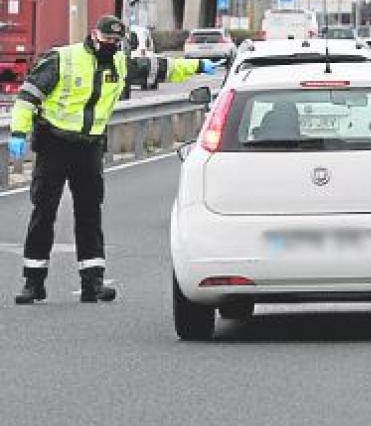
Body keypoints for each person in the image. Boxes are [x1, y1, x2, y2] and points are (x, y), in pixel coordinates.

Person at [9, 15, 220, 304]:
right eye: (107, 40)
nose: (111, 46)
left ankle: (92, 283)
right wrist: (19, 131)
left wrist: (198, 66)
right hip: (54, 144)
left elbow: (161, 68)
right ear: (94, 35)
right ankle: (33, 282)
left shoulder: (119, 63)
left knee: (89, 213)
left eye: (116, 42)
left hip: (89, 147)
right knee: (43, 212)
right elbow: (28, 95)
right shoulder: (64, 59)